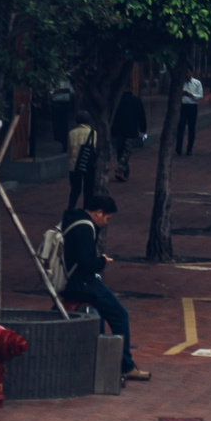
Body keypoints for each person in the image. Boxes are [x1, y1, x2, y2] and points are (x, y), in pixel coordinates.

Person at [60, 192, 148, 384]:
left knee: (98, 317)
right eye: (107, 218)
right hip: (82, 283)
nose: (106, 222)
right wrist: (101, 261)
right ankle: (125, 365)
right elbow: (86, 262)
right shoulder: (85, 227)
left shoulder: (72, 219)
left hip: (71, 281)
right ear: (98, 213)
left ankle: (101, 364)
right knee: (119, 315)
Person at [63, 111, 100, 220]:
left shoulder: (71, 133)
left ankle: (70, 208)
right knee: (88, 189)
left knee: (75, 189)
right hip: (89, 166)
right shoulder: (94, 133)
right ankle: (86, 210)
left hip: (74, 165)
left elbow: (69, 151)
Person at [110, 88, 149, 180]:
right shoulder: (135, 100)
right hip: (130, 129)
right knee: (127, 151)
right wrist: (143, 128)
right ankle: (121, 169)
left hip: (118, 129)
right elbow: (141, 116)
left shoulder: (116, 101)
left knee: (120, 150)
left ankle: (123, 171)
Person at [176, 74, 205, 156]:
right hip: (183, 106)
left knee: (191, 127)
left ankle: (189, 149)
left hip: (192, 106)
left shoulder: (197, 82)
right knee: (181, 126)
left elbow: (200, 95)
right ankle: (179, 148)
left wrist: (192, 95)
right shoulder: (181, 82)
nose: (187, 75)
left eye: (188, 72)